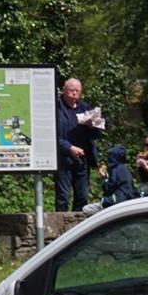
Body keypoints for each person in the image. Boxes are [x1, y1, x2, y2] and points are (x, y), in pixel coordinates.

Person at [53, 78, 104, 212]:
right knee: (63, 196)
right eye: (71, 90)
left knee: (82, 196)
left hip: (83, 159)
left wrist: (92, 126)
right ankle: (61, 229)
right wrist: (69, 148)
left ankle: (79, 227)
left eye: (77, 91)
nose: (74, 93)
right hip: (64, 159)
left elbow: (98, 134)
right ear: (64, 90)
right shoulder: (55, 108)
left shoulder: (86, 108)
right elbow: (51, 135)